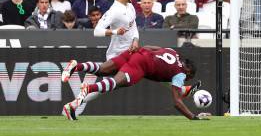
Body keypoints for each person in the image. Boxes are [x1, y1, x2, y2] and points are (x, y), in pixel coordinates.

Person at [62, 46, 207, 120]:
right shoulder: (180, 74)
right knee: (115, 83)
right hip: (140, 64)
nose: (186, 79)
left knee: (101, 70)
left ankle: (76, 66)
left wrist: (139, 53)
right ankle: (89, 88)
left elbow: (150, 47)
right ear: (188, 72)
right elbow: (177, 102)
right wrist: (193, 117)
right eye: (188, 78)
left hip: (134, 52)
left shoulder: (172, 51)